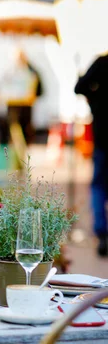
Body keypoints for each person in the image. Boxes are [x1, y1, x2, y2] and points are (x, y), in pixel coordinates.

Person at [75, 54, 108, 257]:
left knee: (98, 185)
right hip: (102, 136)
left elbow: (80, 87)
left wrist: (96, 101)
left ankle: (102, 232)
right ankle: (102, 233)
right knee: (98, 185)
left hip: (103, 134)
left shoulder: (102, 63)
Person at [3, 49, 42, 145]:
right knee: (15, 136)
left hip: (24, 108)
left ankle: (21, 157)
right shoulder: (11, 71)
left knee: (23, 136)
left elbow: (38, 91)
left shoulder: (31, 72)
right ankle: (17, 157)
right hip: (15, 108)